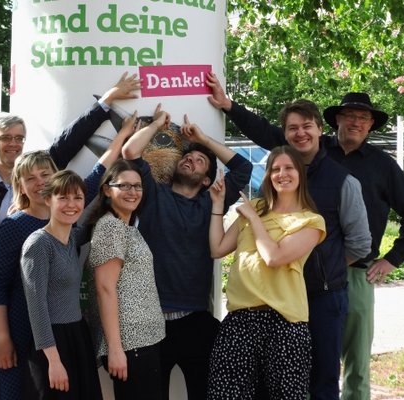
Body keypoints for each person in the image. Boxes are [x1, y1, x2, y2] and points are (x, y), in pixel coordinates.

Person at [207, 73, 371, 400]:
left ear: (320, 130)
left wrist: (325, 267)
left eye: (307, 126)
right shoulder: (264, 199)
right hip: (254, 309)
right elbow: (219, 248)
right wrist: (228, 106)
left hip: (319, 297)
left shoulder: (340, 184)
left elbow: (360, 244)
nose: (300, 133)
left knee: (321, 378)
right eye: (292, 128)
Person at [0, 115, 137, 399]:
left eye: (45, 175)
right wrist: (2, 337)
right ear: (20, 185)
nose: (40, 183)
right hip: (23, 326)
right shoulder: (16, 228)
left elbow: (96, 174)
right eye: (30, 178)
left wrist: (122, 136)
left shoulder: (69, 222)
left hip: (66, 329)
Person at [121, 105, 252, 400]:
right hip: (150, 322)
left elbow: (244, 168)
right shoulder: (153, 194)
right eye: (188, 156)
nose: (190, 160)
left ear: (207, 179)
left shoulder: (211, 202)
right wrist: (155, 125)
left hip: (196, 320)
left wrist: (203, 139)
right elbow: (130, 153)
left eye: (200, 160)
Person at [322, 92, 404, 400]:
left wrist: (392, 260)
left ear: (370, 126)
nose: (355, 122)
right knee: (312, 352)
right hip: (310, 271)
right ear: (337, 119)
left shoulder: (382, 164)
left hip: (357, 273)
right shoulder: (314, 155)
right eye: (350, 115)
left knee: (356, 360)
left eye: (363, 118)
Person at [207, 145, 326, 399]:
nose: (282, 174)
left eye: (289, 168)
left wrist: (254, 217)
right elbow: (218, 249)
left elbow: (274, 257)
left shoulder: (311, 221)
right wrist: (218, 205)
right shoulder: (256, 207)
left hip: (284, 324)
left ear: (300, 174)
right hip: (240, 321)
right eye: (275, 169)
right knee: (225, 394)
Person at [0, 72, 141, 240]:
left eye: (19, 138)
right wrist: (11, 226)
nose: (14, 144)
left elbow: (72, 140)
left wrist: (108, 100)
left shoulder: (47, 171)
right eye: (5, 138)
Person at [86, 159, 165, 400]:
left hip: (145, 340)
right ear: (108, 190)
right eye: (125, 186)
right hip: (130, 344)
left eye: (137, 186)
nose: (133, 192)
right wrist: (116, 349)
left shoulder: (126, 226)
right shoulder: (110, 227)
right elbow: (104, 289)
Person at [20, 170, 102, 399]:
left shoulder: (73, 237)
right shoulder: (38, 244)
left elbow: (100, 220)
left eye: (77, 198)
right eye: (63, 197)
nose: (71, 204)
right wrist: (53, 362)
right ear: (48, 199)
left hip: (77, 336)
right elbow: (37, 308)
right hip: (52, 344)